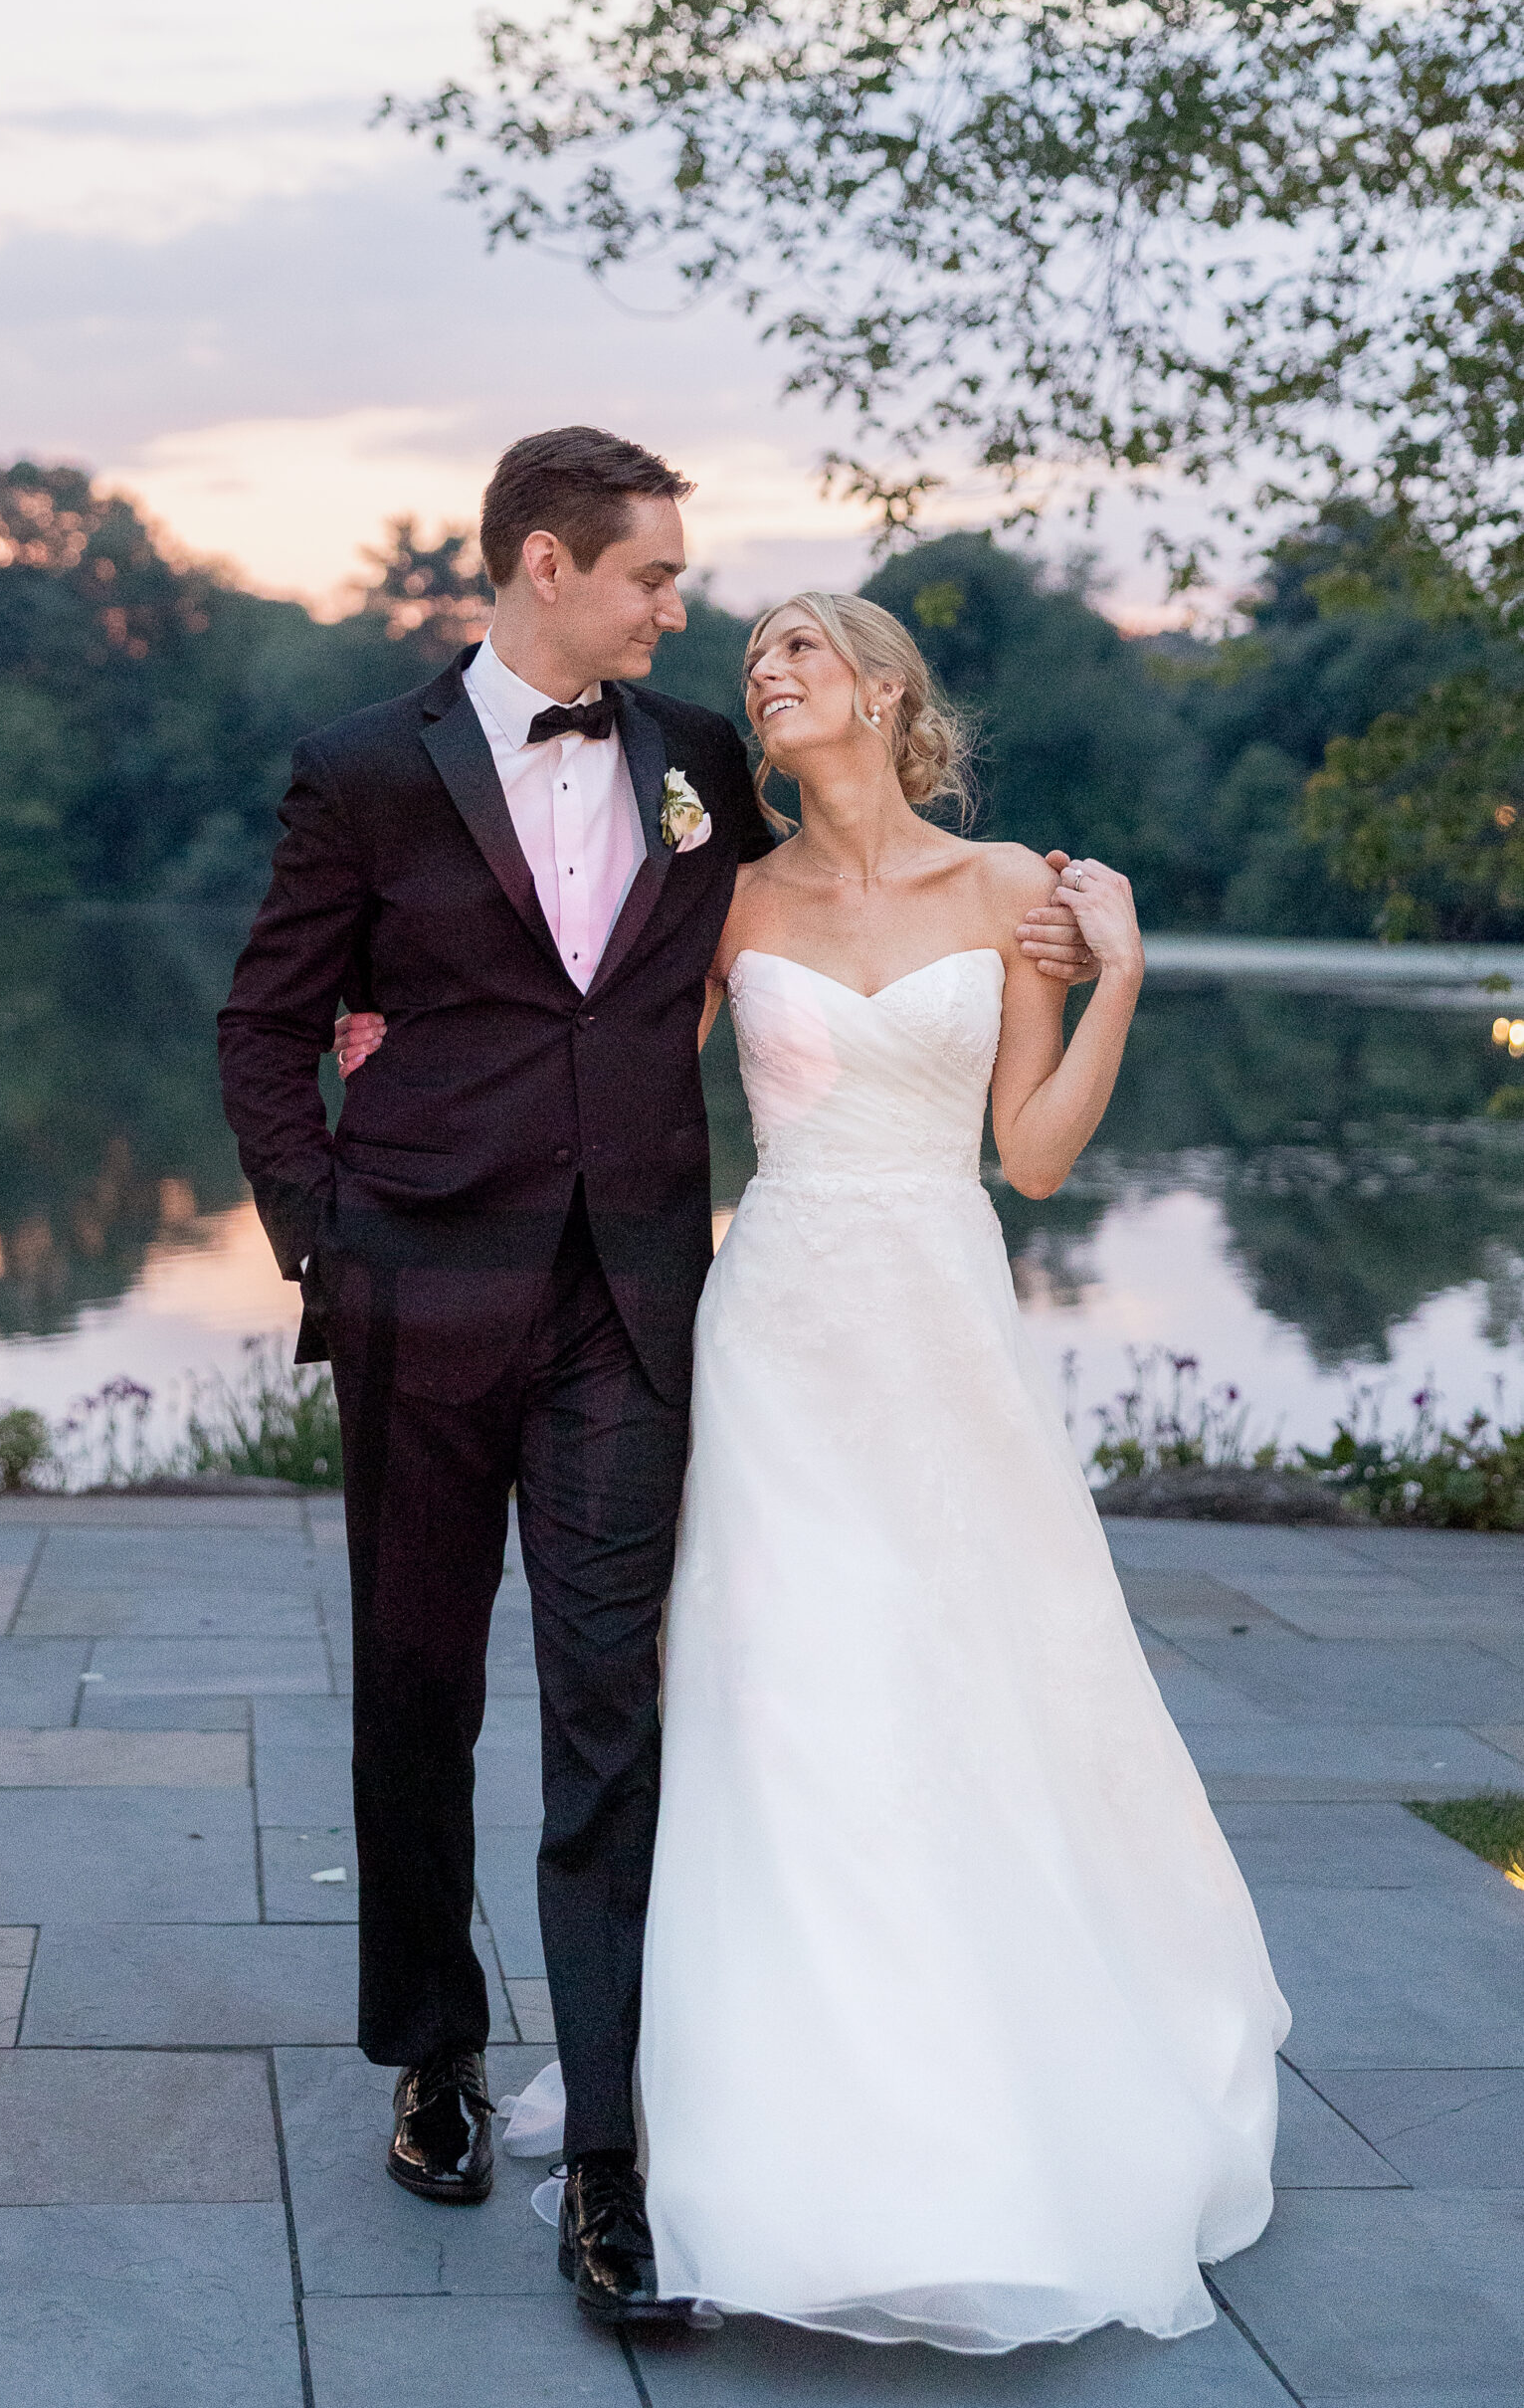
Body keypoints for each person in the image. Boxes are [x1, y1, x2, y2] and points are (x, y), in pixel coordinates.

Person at [225, 427, 1097, 2330]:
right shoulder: (361, 770)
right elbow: (266, 1025)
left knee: (613, 1711)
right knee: (415, 1691)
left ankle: (616, 2154)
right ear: (547, 565)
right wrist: (329, 1240)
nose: (678, 609)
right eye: (652, 576)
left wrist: (1054, 911)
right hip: (419, 1294)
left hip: (632, 1307)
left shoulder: (701, 757)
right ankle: (433, 2055)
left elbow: (847, 909)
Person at [636, 592, 1289, 2348]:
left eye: (800, 650)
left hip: (937, 1320)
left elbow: (1037, 1156)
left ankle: (1010, 2056)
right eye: (755, 659)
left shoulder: (1010, 889)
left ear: (882, 689)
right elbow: (610, 1084)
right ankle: (795, 2098)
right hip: (776, 1330)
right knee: (791, 1692)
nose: (766, 672)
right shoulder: (732, 898)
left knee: (972, 1676)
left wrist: (1120, 977)